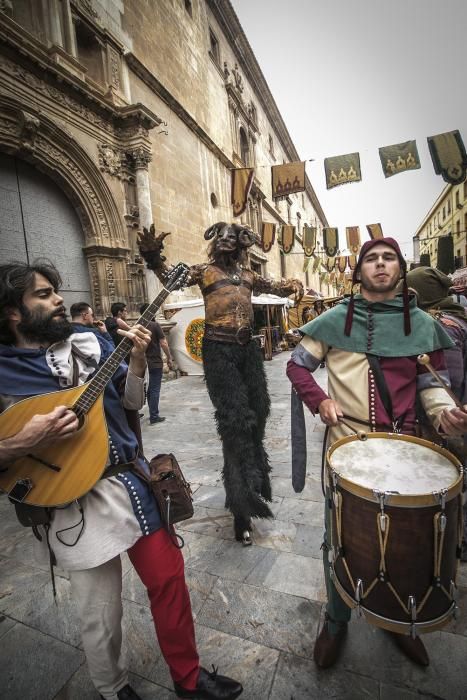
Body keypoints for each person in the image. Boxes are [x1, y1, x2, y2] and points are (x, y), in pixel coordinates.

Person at [0, 262, 243, 700]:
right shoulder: (2, 372)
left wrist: (134, 359)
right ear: (13, 314)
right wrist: (24, 440)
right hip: (71, 501)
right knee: (100, 612)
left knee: (169, 582)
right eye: (42, 295)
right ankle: (114, 690)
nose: (57, 300)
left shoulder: (92, 341)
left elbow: (131, 401)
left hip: (132, 485)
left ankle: (188, 680)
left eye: (56, 291)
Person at [286, 238, 467, 669]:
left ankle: (395, 618)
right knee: (340, 536)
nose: (380, 265)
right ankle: (335, 620)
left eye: (389, 258)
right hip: (348, 447)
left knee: (401, 543)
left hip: (407, 451)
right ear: (359, 271)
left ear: (400, 269)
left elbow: (431, 385)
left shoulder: (422, 324)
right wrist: (320, 400)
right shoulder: (334, 320)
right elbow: (296, 364)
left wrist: (446, 417)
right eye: (372, 258)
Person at [137, 222, 303, 545]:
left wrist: (295, 284)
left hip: (248, 351)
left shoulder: (249, 276)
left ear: (241, 245)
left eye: (232, 236)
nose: (226, 239)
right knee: (235, 424)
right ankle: (241, 509)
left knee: (260, 412)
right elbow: (172, 277)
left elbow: (277, 287)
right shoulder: (205, 272)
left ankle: (257, 478)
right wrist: (154, 257)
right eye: (221, 236)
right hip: (219, 353)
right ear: (215, 242)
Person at [405, 265, 467, 561]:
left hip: (450, 426)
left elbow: (446, 382)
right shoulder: (457, 316)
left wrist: (441, 413)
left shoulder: (443, 325)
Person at [139, 302, 175, 425]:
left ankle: (152, 413)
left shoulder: (137, 326)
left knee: (148, 389)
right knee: (154, 389)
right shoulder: (154, 325)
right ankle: (154, 415)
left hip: (142, 363)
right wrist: (169, 358)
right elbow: (163, 343)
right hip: (154, 362)